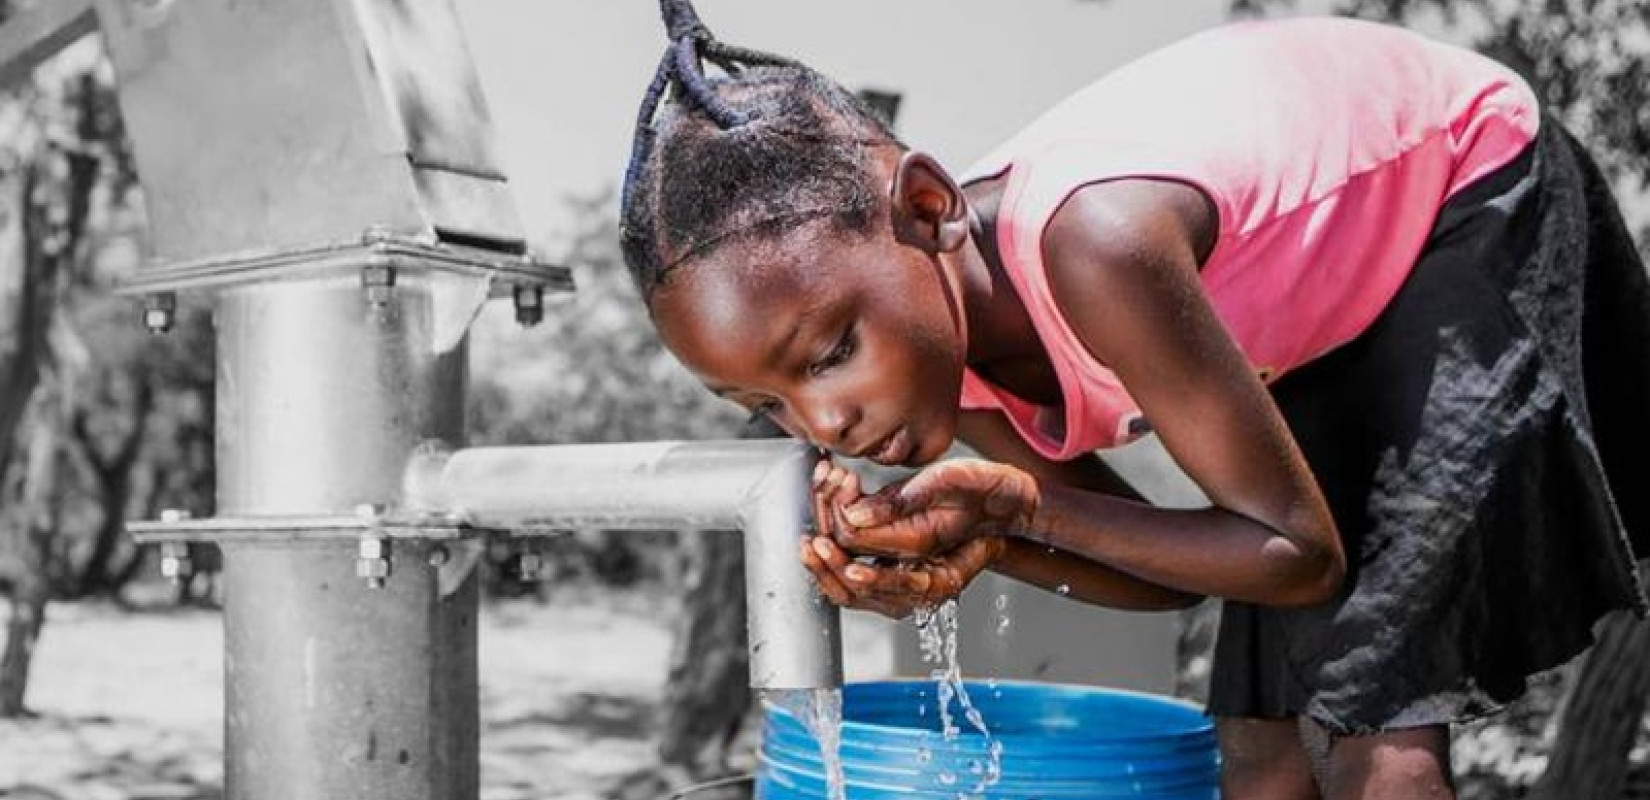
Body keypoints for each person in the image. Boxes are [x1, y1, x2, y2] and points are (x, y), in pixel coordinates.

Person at [617, 2, 1650, 798]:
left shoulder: (1096, 243)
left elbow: (1297, 552)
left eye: (832, 350)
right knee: (1258, 742)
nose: (826, 420)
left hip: (1463, 186)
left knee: (1373, 726)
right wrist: (984, 541)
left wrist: (1021, 507)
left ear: (928, 209)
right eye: (773, 404)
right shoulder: (946, 365)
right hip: (1328, 299)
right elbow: (1178, 570)